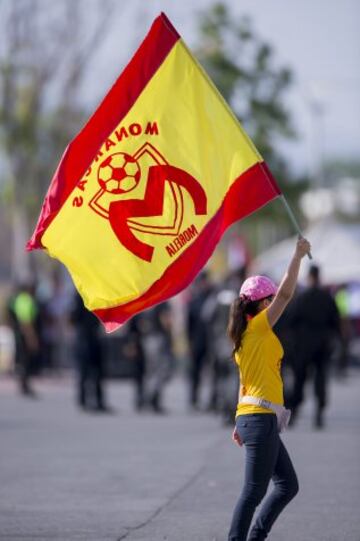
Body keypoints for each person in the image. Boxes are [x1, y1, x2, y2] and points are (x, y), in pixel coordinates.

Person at [227, 237, 311, 541]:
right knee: (253, 492)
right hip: (260, 419)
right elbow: (287, 293)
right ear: (263, 303)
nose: (275, 303)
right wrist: (298, 255)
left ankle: (255, 537)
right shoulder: (260, 327)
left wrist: (238, 421)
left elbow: (242, 383)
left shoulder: (242, 336)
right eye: (271, 299)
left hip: (253, 416)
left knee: (287, 485)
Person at [289, 264, 341, 428]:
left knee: (299, 379)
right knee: (320, 379)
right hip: (322, 345)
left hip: (303, 346)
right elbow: (336, 323)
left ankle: (294, 411)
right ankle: (319, 414)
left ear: (309, 277)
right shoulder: (327, 298)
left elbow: (290, 322)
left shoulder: (301, 298)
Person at [71, 293, 112, 413]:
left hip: (92, 337)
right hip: (85, 338)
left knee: (97, 371)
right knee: (85, 372)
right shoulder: (81, 296)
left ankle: (96, 401)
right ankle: (84, 401)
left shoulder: (95, 295)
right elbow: (73, 318)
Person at [7, 282, 40, 397]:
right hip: (25, 335)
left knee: (22, 361)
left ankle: (24, 384)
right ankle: (24, 385)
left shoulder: (19, 299)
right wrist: (31, 338)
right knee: (25, 361)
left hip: (19, 335)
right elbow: (26, 322)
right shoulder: (26, 300)